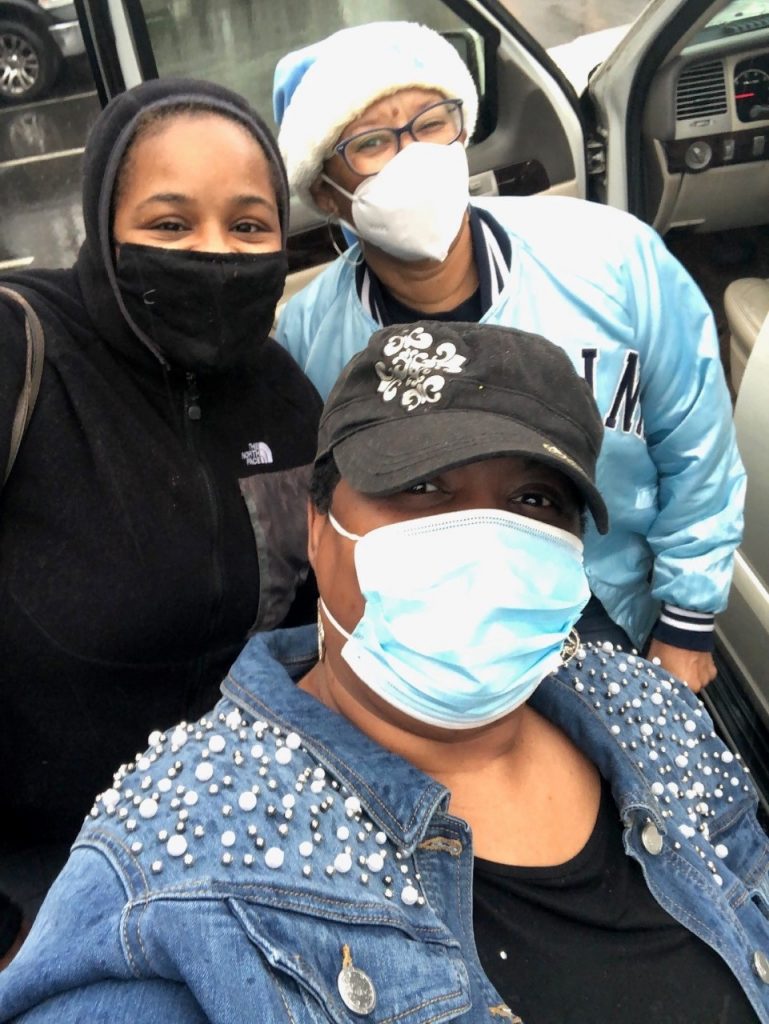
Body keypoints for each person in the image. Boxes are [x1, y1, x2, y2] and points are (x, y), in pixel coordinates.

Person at [0, 321, 766, 1023]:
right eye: (421, 486)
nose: (483, 540)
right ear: (317, 525)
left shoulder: (645, 706)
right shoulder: (180, 852)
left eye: (533, 499)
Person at [271, 20, 746, 694]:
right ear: (325, 192)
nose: (413, 155)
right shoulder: (311, 337)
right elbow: (327, 516)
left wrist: (684, 627)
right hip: (429, 644)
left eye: (431, 121)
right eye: (372, 142)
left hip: (610, 604)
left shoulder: (614, 259)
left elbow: (697, 446)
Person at [0, 79, 322, 959]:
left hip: (231, 864)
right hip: (36, 891)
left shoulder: (285, 397)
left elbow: (309, 629)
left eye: (249, 226)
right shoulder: (23, 348)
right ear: (104, 226)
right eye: (170, 225)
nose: (214, 255)